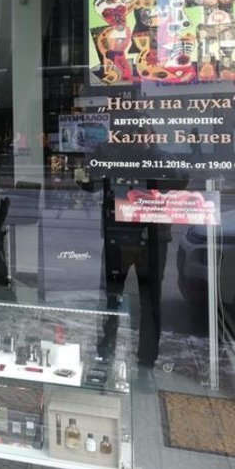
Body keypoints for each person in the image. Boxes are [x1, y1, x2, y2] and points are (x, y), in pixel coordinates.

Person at [78, 141, 186, 367]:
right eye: (133, 132)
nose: (138, 137)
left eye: (142, 132)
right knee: (111, 297)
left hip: (151, 236)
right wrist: (90, 160)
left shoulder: (160, 156)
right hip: (119, 233)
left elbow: (179, 181)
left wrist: (153, 154)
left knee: (149, 300)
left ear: (151, 134)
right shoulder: (114, 154)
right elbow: (88, 183)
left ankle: (146, 358)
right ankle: (106, 349)